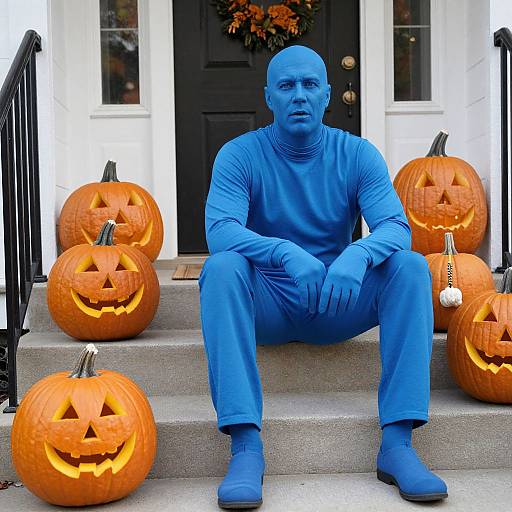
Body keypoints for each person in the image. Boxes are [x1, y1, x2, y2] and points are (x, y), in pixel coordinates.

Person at [198, 45, 447, 509]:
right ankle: (246, 449)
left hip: (336, 300)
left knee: (410, 267)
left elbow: (396, 227)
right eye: (287, 86)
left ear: (327, 95)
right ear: (268, 95)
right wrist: (283, 252)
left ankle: (397, 445)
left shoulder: (357, 154)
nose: (299, 96)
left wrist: (357, 255)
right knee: (223, 268)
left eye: (310, 85)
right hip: (268, 303)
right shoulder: (238, 155)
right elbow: (220, 232)